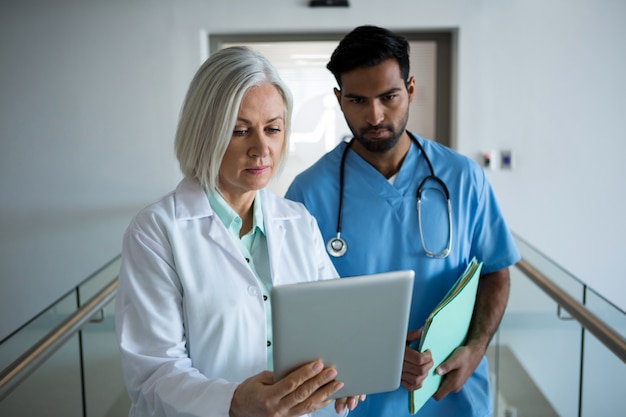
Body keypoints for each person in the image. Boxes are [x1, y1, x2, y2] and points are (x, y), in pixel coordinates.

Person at [115, 46, 363, 417]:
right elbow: (152, 376)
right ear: (205, 133)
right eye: (240, 130)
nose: (261, 149)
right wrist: (233, 402)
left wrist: (347, 372)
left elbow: (333, 329)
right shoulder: (157, 231)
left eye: (273, 129)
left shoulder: (298, 222)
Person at [285, 25, 521, 417]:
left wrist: (476, 348)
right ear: (338, 99)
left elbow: (495, 271)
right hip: (356, 403)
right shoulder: (307, 194)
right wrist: (373, 356)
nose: (374, 115)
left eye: (388, 97)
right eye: (357, 100)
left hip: (451, 397)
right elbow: (296, 313)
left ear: (410, 90)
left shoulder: (463, 178)